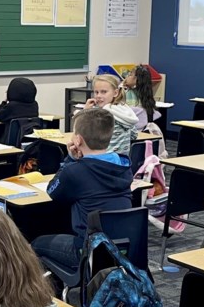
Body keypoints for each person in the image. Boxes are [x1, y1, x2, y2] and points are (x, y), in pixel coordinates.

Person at [31, 108, 132, 271]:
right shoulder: (124, 165)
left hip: (88, 249)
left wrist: (70, 158)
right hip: (122, 246)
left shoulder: (75, 171)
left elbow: (52, 191)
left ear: (77, 140)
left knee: (35, 243)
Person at [82, 74, 137, 155]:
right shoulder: (124, 110)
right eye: (96, 92)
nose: (98, 96)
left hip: (103, 161)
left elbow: (84, 135)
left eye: (103, 92)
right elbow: (134, 135)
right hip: (123, 162)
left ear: (115, 93)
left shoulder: (102, 115)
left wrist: (85, 112)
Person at [123, 65, 161, 131]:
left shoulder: (129, 94)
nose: (127, 77)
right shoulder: (146, 94)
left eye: (130, 75)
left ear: (136, 80)